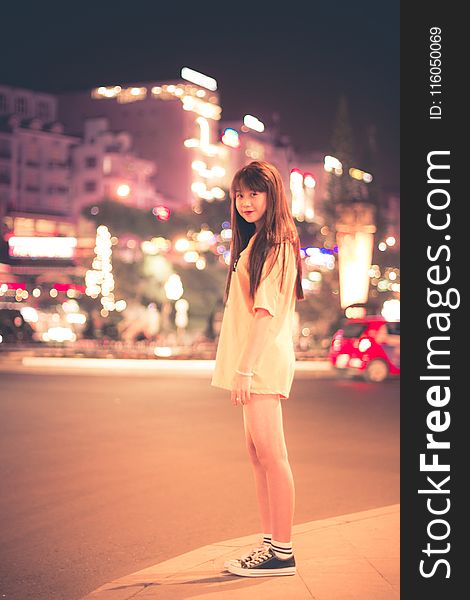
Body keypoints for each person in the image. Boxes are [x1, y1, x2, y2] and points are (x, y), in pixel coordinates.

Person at [210, 160, 304, 577]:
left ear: (272, 195)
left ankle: (281, 551)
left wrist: (245, 370)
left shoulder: (279, 243)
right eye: (240, 194)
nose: (246, 202)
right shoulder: (256, 242)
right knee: (258, 456)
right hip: (252, 363)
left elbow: (266, 313)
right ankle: (270, 544)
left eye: (254, 193)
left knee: (272, 456)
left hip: (261, 364)